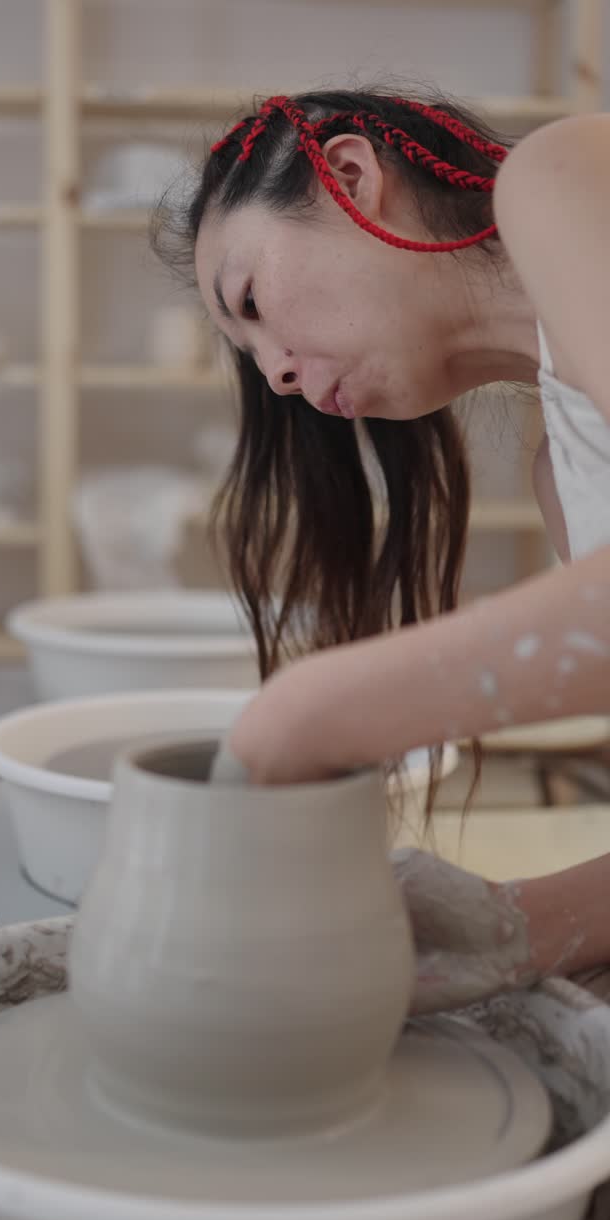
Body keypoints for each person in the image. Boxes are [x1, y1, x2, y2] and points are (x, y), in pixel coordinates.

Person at [153, 88, 610, 1011]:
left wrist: (310, 713)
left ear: (354, 180)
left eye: (250, 300)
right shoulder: (567, 479)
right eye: (249, 355)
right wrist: (523, 924)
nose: (275, 373)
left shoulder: (564, 180)